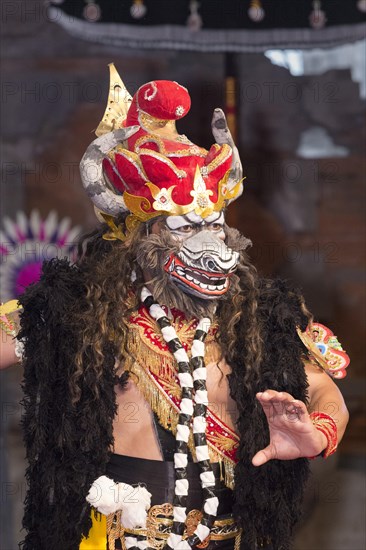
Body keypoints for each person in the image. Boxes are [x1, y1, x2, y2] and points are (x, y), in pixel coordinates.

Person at [5, 67, 349, 550]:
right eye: (185, 229)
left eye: (214, 224)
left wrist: (318, 432)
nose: (213, 246)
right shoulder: (78, 314)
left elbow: (324, 391)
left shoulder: (258, 318)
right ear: (141, 237)